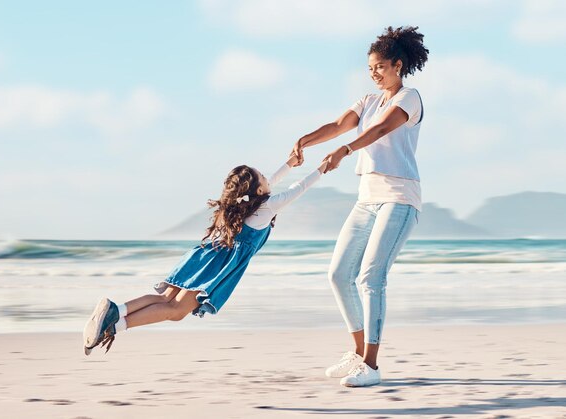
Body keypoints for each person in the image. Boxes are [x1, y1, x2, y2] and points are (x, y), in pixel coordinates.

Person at [292, 26, 429, 387]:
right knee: (339, 275)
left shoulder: (410, 98)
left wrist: (346, 150)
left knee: (371, 276)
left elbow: (382, 130)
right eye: (370, 67)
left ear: (397, 65)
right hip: (367, 198)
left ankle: (371, 365)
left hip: (399, 197)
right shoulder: (368, 101)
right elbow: (340, 125)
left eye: (380, 66)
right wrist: (303, 142)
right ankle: (356, 355)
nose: (374, 73)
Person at [83, 154, 328, 355]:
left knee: (166, 301)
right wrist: (324, 167)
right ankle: (114, 324)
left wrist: (289, 164)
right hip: (215, 264)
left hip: (204, 256)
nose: (267, 178)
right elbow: (299, 188)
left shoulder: (252, 204)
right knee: (176, 311)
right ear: (257, 189)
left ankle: (117, 311)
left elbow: (269, 183)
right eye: (263, 176)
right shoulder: (266, 206)